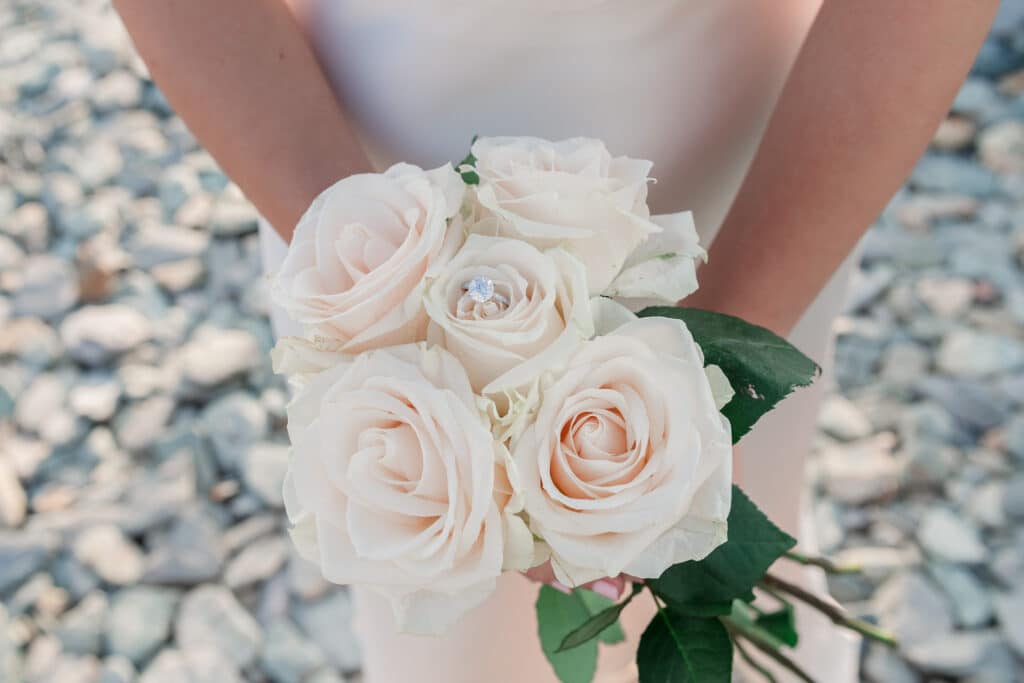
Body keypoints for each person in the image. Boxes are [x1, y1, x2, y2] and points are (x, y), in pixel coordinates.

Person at [113, 1, 997, 681]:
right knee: (446, 629)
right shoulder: (358, 239)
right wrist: (387, 300)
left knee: (725, 562)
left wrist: (701, 377)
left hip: (753, 183)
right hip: (346, 175)